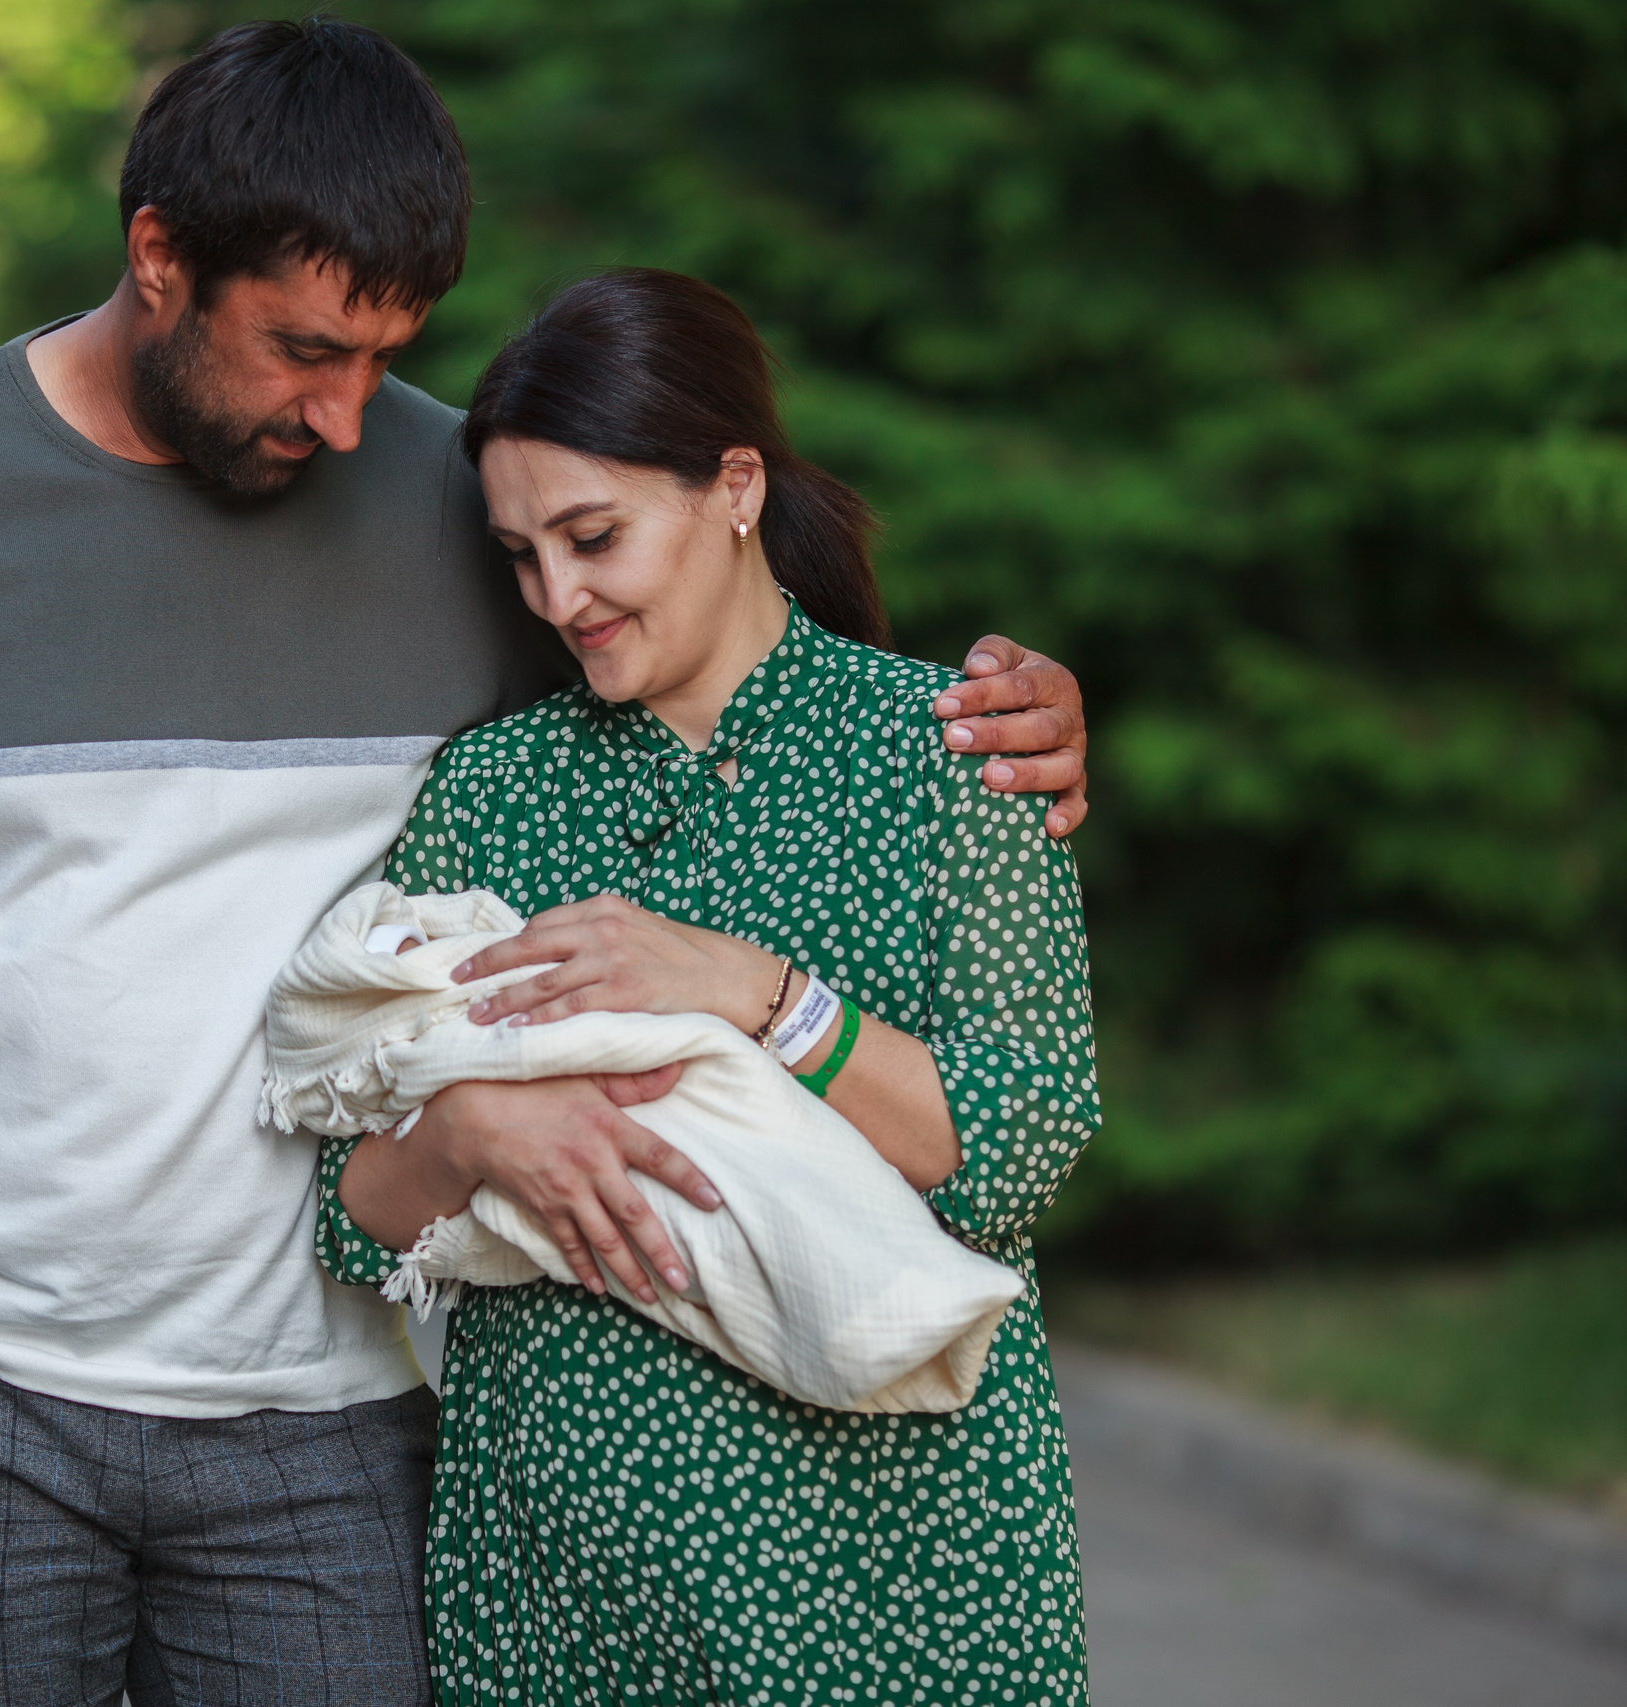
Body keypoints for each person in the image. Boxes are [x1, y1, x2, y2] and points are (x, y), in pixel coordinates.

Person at [0, 18, 1088, 1706]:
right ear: (159, 259)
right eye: (305, 350)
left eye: (386, 356)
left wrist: (1022, 724)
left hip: (329, 1424)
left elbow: (718, 674)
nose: (347, 421)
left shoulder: (463, 497)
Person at [321, 268, 1097, 1705]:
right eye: (520, 555)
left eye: (593, 536)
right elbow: (353, 1213)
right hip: (558, 1592)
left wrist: (756, 991)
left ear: (735, 486)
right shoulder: (490, 792)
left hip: (895, 1586)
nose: (559, 597)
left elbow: (1014, 1141)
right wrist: (471, 1139)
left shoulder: (948, 754)